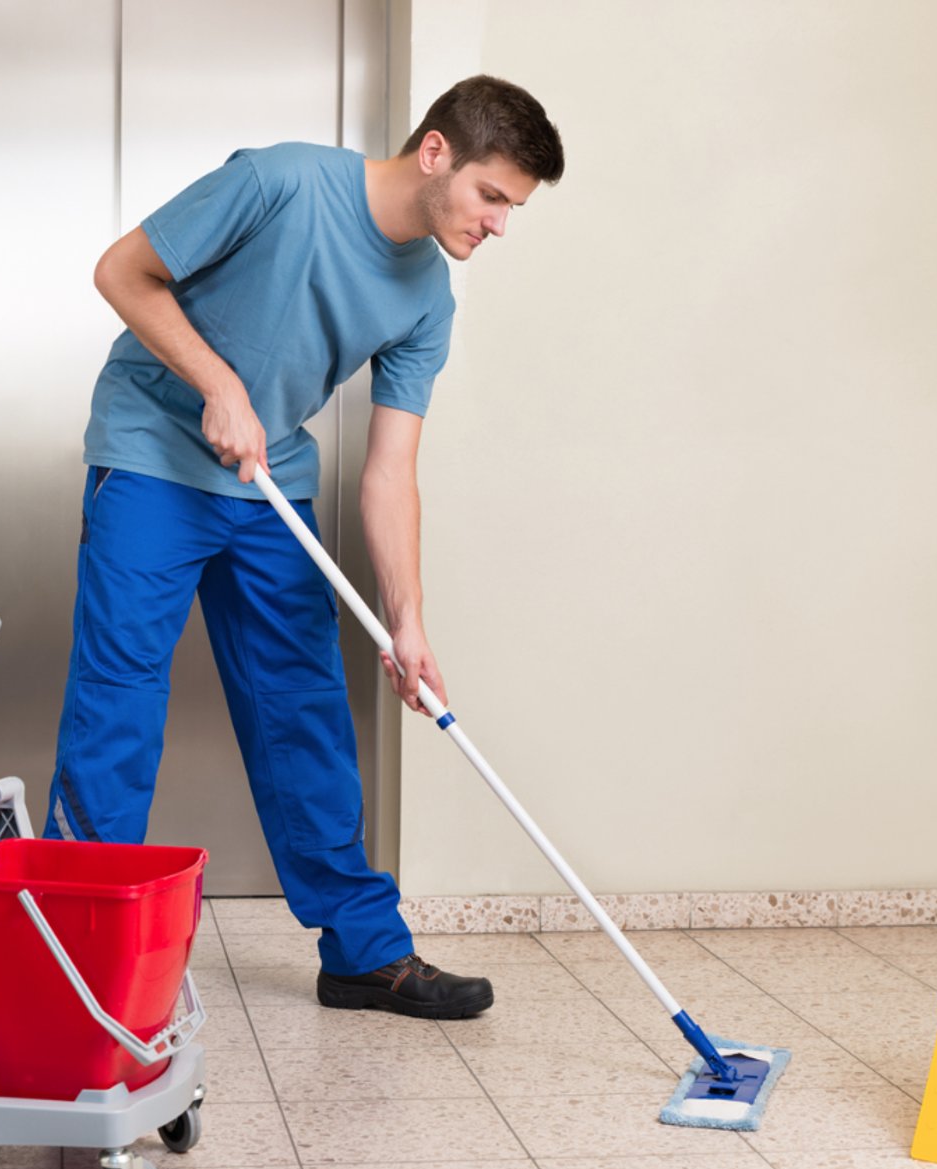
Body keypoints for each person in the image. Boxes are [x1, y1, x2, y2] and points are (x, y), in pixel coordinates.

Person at [48, 75, 564, 1018]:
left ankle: (364, 954)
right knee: (119, 702)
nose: (498, 225)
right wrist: (217, 380)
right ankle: (76, 954)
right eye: (494, 196)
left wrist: (408, 626)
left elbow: (389, 473)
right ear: (438, 152)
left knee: (306, 712)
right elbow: (122, 271)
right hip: (152, 455)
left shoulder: (428, 302)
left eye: (512, 209)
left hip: (267, 479)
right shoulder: (282, 182)